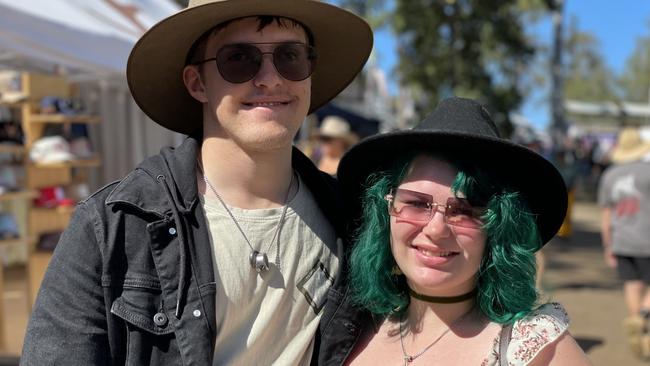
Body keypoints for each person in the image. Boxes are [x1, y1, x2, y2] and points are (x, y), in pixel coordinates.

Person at [21, 1, 372, 365]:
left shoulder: (355, 220)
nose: (271, 77)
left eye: (290, 56)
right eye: (239, 58)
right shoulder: (115, 226)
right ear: (197, 82)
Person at [317, 97, 590, 365]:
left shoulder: (537, 351)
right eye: (416, 203)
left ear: (499, 228)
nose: (436, 229)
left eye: (464, 210)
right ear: (384, 212)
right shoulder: (344, 323)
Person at [598, 126, 650, 359]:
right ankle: (645, 315)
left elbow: (606, 214)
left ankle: (636, 322)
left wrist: (608, 244)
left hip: (621, 240)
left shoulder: (609, 175)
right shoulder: (648, 171)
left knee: (632, 283)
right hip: (647, 239)